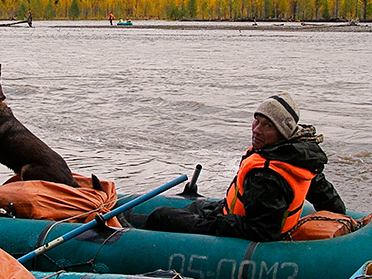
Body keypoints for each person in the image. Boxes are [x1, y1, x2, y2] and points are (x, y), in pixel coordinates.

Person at [144, 93, 345, 242]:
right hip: (234, 215)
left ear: (283, 133)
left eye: (267, 126)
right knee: (194, 207)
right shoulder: (300, 159)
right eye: (256, 121)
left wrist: (221, 222)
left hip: (245, 232)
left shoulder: (266, 175)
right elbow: (331, 203)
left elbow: (262, 231)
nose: (257, 130)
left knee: (161, 216)